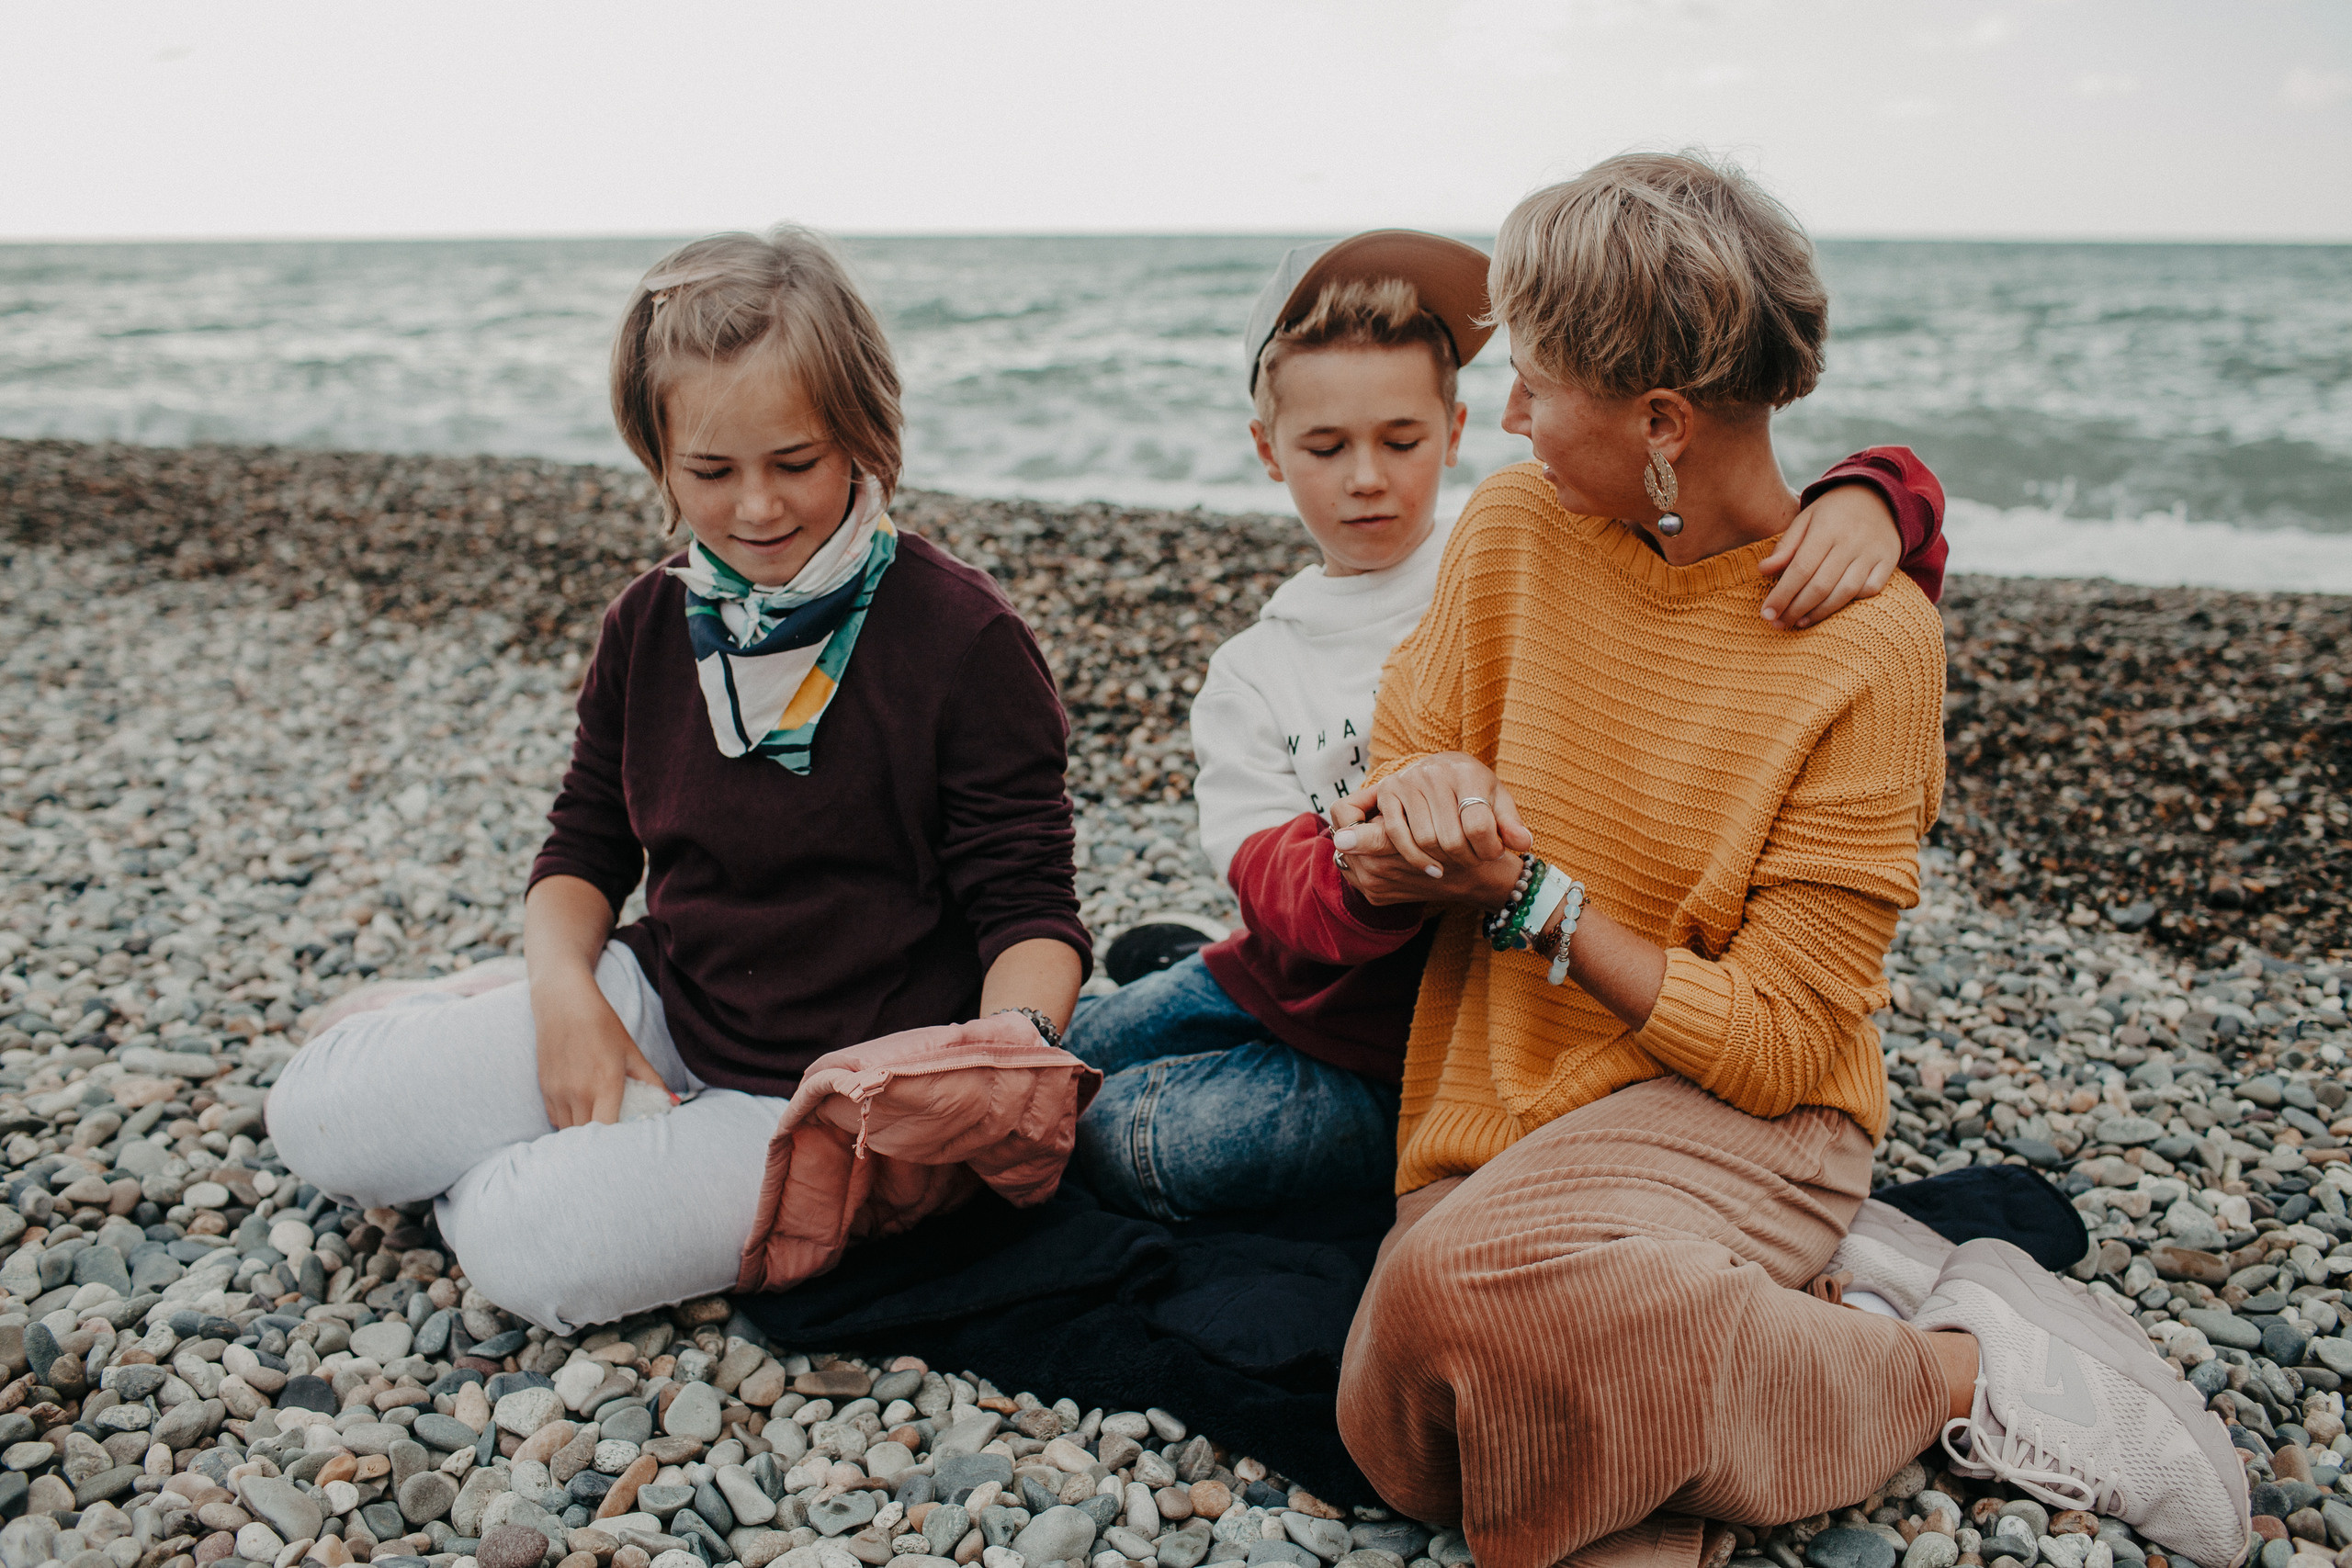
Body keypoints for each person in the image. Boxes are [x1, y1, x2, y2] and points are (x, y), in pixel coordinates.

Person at [1315, 157, 2247, 1568]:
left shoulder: (1872, 648)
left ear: (1662, 424)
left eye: (1539, 380)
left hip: (1754, 1113)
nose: (1505, 416)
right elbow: (1391, 802)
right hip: (1504, 1111)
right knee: (1412, 1431)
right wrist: (1419, 796)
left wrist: (1532, 897)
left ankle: (1955, 1365)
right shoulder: (1514, 531)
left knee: (1454, 1318)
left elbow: (1786, 1038)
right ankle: (1818, 1314)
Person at [266, 228, 1090, 1333]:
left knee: (531, 1249)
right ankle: (537, 1068)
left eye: (794, 462)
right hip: (669, 997)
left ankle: (529, 1127)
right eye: (710, 472)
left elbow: (1028, 910)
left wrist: (995, 1069)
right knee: (318, 1115)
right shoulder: (651, 622)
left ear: (863, 433)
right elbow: (583, 845)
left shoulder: (964, 638)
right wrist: (566, 1001)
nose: (755, 509)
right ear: (658, 458)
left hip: (832, 1089)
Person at [1064, 229, 1950, 1224]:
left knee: (1124, 1137)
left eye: (1401, 441)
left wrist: (1882, 491)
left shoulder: (1528, 547)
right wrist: (1382, 860)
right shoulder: (1265, 667)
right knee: (1049, 1059)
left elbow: (1736, 604)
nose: (1366, 479)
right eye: (1325, 446)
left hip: (1433, 1036)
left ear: (1451, 427)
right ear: (1269, 452)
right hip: (1300, 979)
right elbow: (1270, 876)